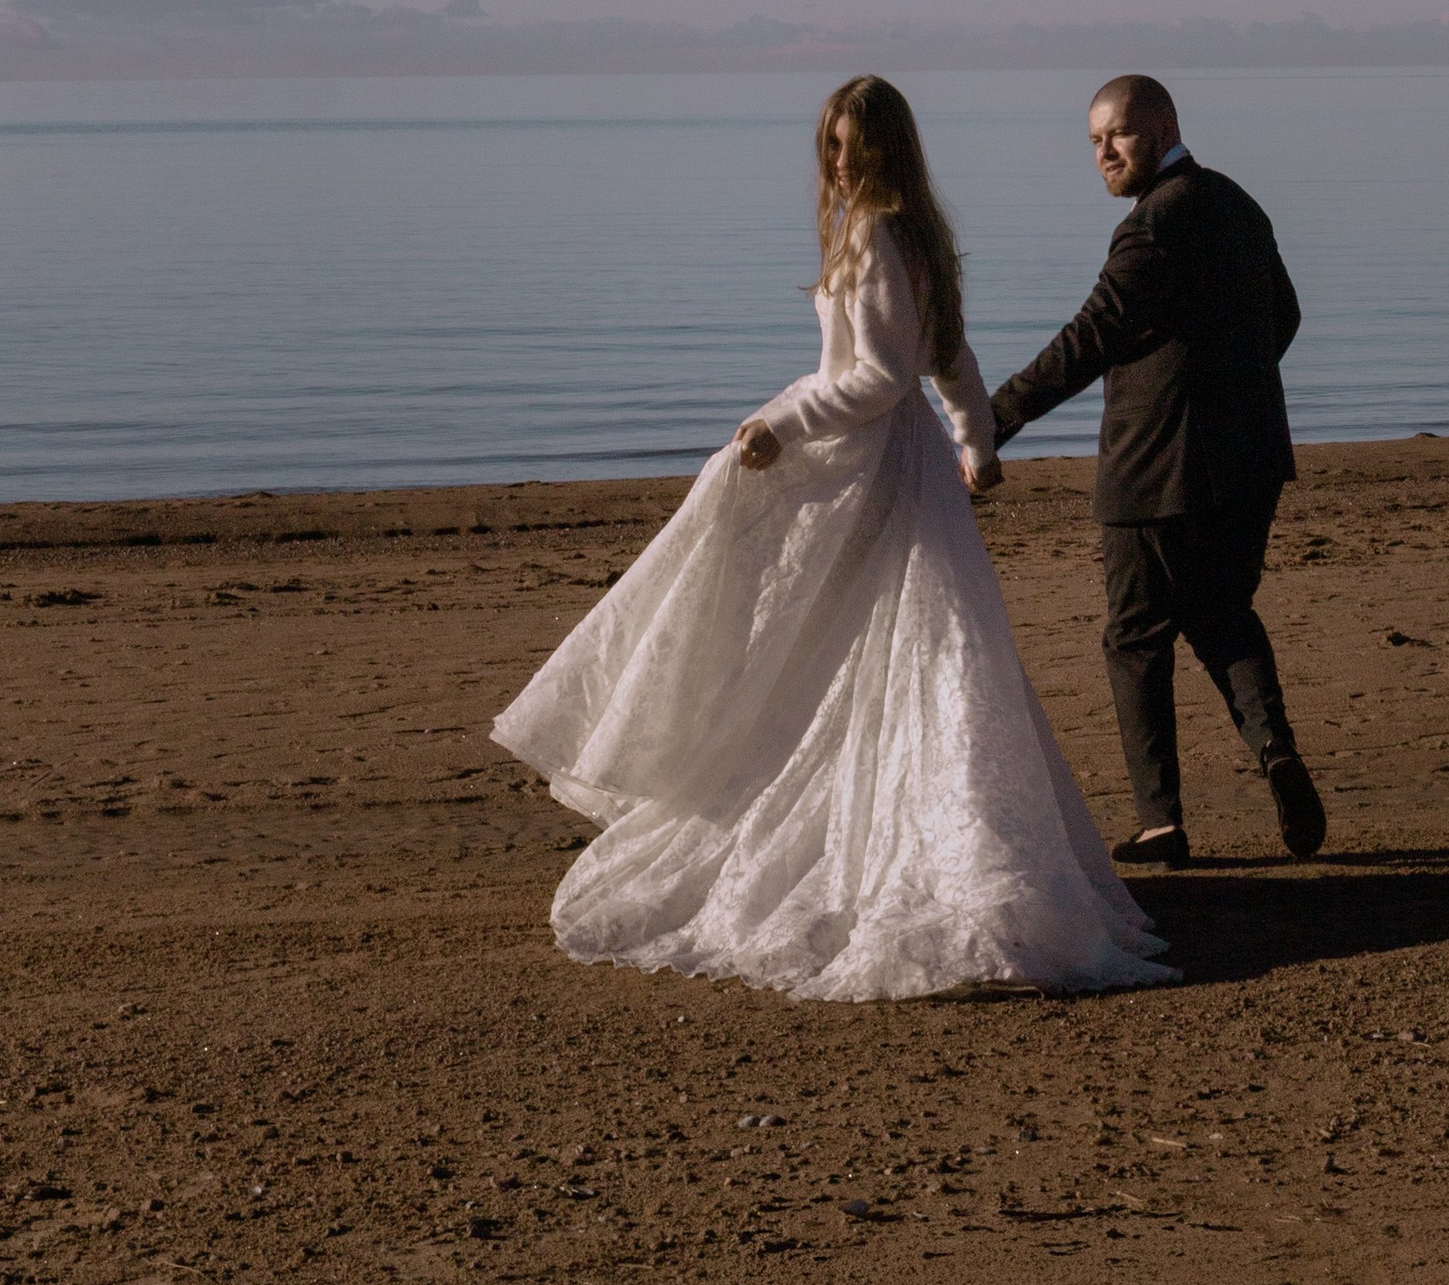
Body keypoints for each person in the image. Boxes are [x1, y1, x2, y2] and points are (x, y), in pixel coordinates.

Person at [492, 77, 1175, 1002]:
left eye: (855, 145)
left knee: (892, 646)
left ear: (887, 149)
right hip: (910, 466)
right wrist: (974, 444)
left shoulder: (876, 231)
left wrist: (782, 424)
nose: (841, 161)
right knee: (896, 648)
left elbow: (886, 375)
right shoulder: (911, 230)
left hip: (873, 467)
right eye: (832, 145)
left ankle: (931, 863)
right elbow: (950, 357)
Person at [989, 74, 1325, 870]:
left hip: (1154, 470)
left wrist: (995, 416)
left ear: (1163, 127)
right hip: (1250, 461)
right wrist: (1225, 391)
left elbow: (1090, 337)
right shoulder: (1238, 203)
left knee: (1135, 639)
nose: (1104, 153)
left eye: (1120, 136)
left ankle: (1161, 824)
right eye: (1095, 142)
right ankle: (1276, 754)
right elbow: (1286, 316)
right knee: (1222, 614)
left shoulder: (1153, 226)